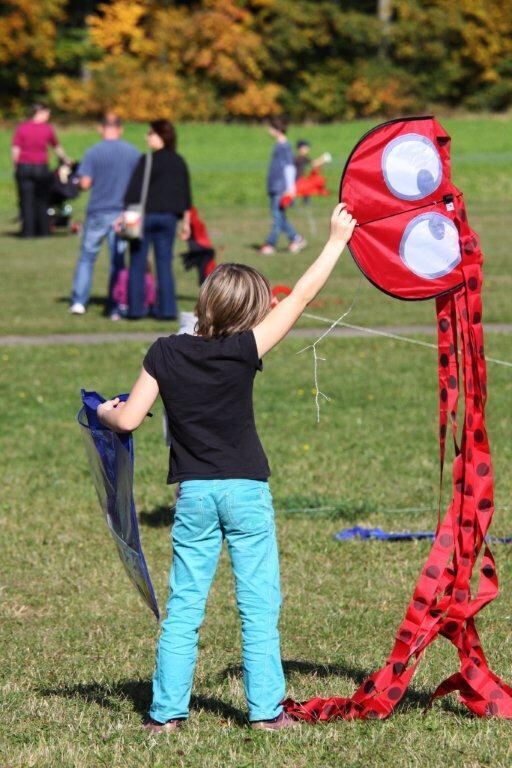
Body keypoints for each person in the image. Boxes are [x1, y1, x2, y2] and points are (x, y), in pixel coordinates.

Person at [97, 202, 356, 732]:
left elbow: (126, 421)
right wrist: (334, 241)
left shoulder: (164, 351)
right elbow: (303, 296)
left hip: (193, 494)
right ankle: (265, 712)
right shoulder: (245, 349)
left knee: (185, 605)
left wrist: (101, 407)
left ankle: (166, 713)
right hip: (246, 492)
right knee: (258, 604)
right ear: (253, 314)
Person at [69, 113, 140, 318]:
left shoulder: (93, 152)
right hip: (122, 213)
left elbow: (85, 184)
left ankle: (79, 302)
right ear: (120, 129)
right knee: (117, 260)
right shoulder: (132, 152)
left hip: (98, 211)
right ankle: (115, 303)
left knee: (87, 257)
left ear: (101, 129)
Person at [123, 120, 191, 320]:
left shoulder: (147, 160)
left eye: (150, 133)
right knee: (164, 263)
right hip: (169, 218)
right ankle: (167, 310)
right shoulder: (179, 161)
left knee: (137, 262)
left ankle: (135, 309)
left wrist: (124, 214)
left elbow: (133, 192)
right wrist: (186, 222)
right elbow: (186, 196)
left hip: (144, 218)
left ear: (160, 136)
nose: (147, 137)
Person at [11, 104, 68, 238]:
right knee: (42, 200)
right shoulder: (47, 129)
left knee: (26, 200)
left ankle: (28, 232)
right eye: (46, 113)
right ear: (39, 113)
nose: (48, 116)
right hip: (41, 168)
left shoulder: (22, 128)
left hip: (24, 167)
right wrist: (65, 160)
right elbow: (56, 147)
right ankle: (43, 230)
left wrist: (16, 166)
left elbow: (16, 150)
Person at [260, 117, 306, 257]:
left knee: (276, 216)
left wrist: (290, 188)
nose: (268, 130)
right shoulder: (279, 145)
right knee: (279, 216)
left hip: (281, 187)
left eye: (271, 127)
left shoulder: (284, 146)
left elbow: (289, 168)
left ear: (277, 130)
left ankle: (270, 244)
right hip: (275, 186)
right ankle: (297, 239)